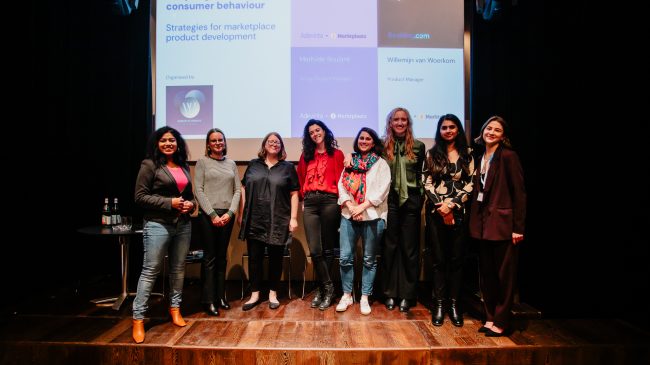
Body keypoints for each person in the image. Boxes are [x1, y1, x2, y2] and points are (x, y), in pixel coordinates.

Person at [132, 126, 196, 343]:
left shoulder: (183, 165)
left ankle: (175, 309)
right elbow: (140, 197)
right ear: (157, 143)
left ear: (178, 143)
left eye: (172, 140)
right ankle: (138, 318)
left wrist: (190, 205)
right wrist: (170, 203)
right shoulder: (149, 165)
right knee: (150, 270)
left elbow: (190, 196)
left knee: (178, 270)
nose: (168, 144)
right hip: (158, 224)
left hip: (183, 224)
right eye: (164, 140)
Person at [469, 115, 526, 337]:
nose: (491, 132)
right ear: (483, 131)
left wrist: (518, 227)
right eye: (489, 128)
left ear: (503, 136)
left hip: (503, 225)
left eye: (497, 130)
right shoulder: (481, 156)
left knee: (505, 275)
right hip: (483, 226)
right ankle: (490, 317)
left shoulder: (509, 157)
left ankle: (502, 321)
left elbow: (519, 194)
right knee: (487, 276)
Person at [422, 114, 475, 327]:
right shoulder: (432, 153)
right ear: (439, 130)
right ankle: (439, 305)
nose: (448, 130)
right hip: (436, 215)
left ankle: (454, 305)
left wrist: (451, 205)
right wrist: (442, 207)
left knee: (456, 261)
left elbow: (471, 184)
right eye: (444, 127)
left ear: (458, 129)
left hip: (459, 214)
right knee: (438, 261)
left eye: (452, 127)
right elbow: (427, 183)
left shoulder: (468, 154)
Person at [237, 132, 299, 311]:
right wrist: (242, 212)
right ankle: (255, 294)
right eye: (270, 141)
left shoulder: (287, 167)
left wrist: (293, 217)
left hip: (278, 218)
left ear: (281, 147)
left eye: (277, 142)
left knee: (275, 258)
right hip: (255, 217)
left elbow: (294, 193)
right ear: (264, 145)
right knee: (254, 258)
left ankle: (273, 293)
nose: (274, 144)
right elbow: (243, 187)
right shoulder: (253, 165)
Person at [335, 127, 391, 315]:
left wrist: (361, 207)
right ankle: (347, 295)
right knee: (345, 258)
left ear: (373, 142)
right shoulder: (350, 162)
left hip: (373, 216)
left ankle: (365, 297)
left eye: (368, 139)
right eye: (361, 138)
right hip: (348, 215)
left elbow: (382, 191)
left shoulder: (381, 164)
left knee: (369, 259)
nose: (364, 141)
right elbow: (342, 185)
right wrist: (352, 207)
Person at [380, 107, 426, 313]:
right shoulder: (382, 147)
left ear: (408, 123)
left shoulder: (418, 146)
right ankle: (390, 293)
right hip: (389, 201)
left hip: (411, 202)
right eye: (396, 120)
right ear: (390, 123)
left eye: (404, 120)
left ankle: (407, 295)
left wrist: (420, 197)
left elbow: (422, 175)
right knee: (390, 247)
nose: (400, 123)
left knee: (409, 249)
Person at [297, 120, 344, 310]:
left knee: (328, 249)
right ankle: (328, 287)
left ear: (324, 131)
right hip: (310, 202)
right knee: (315, 250)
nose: (315, 133)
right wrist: (303, 200)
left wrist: (342, 205)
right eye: (311, 132)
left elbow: (342, 179)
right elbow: (300, 178)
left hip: (330, 202)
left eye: (317, 130)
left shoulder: (337, 154)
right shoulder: (306, 156)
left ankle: (322, 290)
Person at [194, 128, 241, 316]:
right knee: (210, 258)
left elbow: (237, 190)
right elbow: (199, 190)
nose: (218, 143)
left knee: (222, 258)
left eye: (220, 140)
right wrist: (213, 214)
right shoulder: (202, 162)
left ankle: (221, 297)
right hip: (208, 216)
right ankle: (208, 300)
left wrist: (230, 213)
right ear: (208, 144)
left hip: (227, 216)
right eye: (213, 141)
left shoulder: (231, 164)